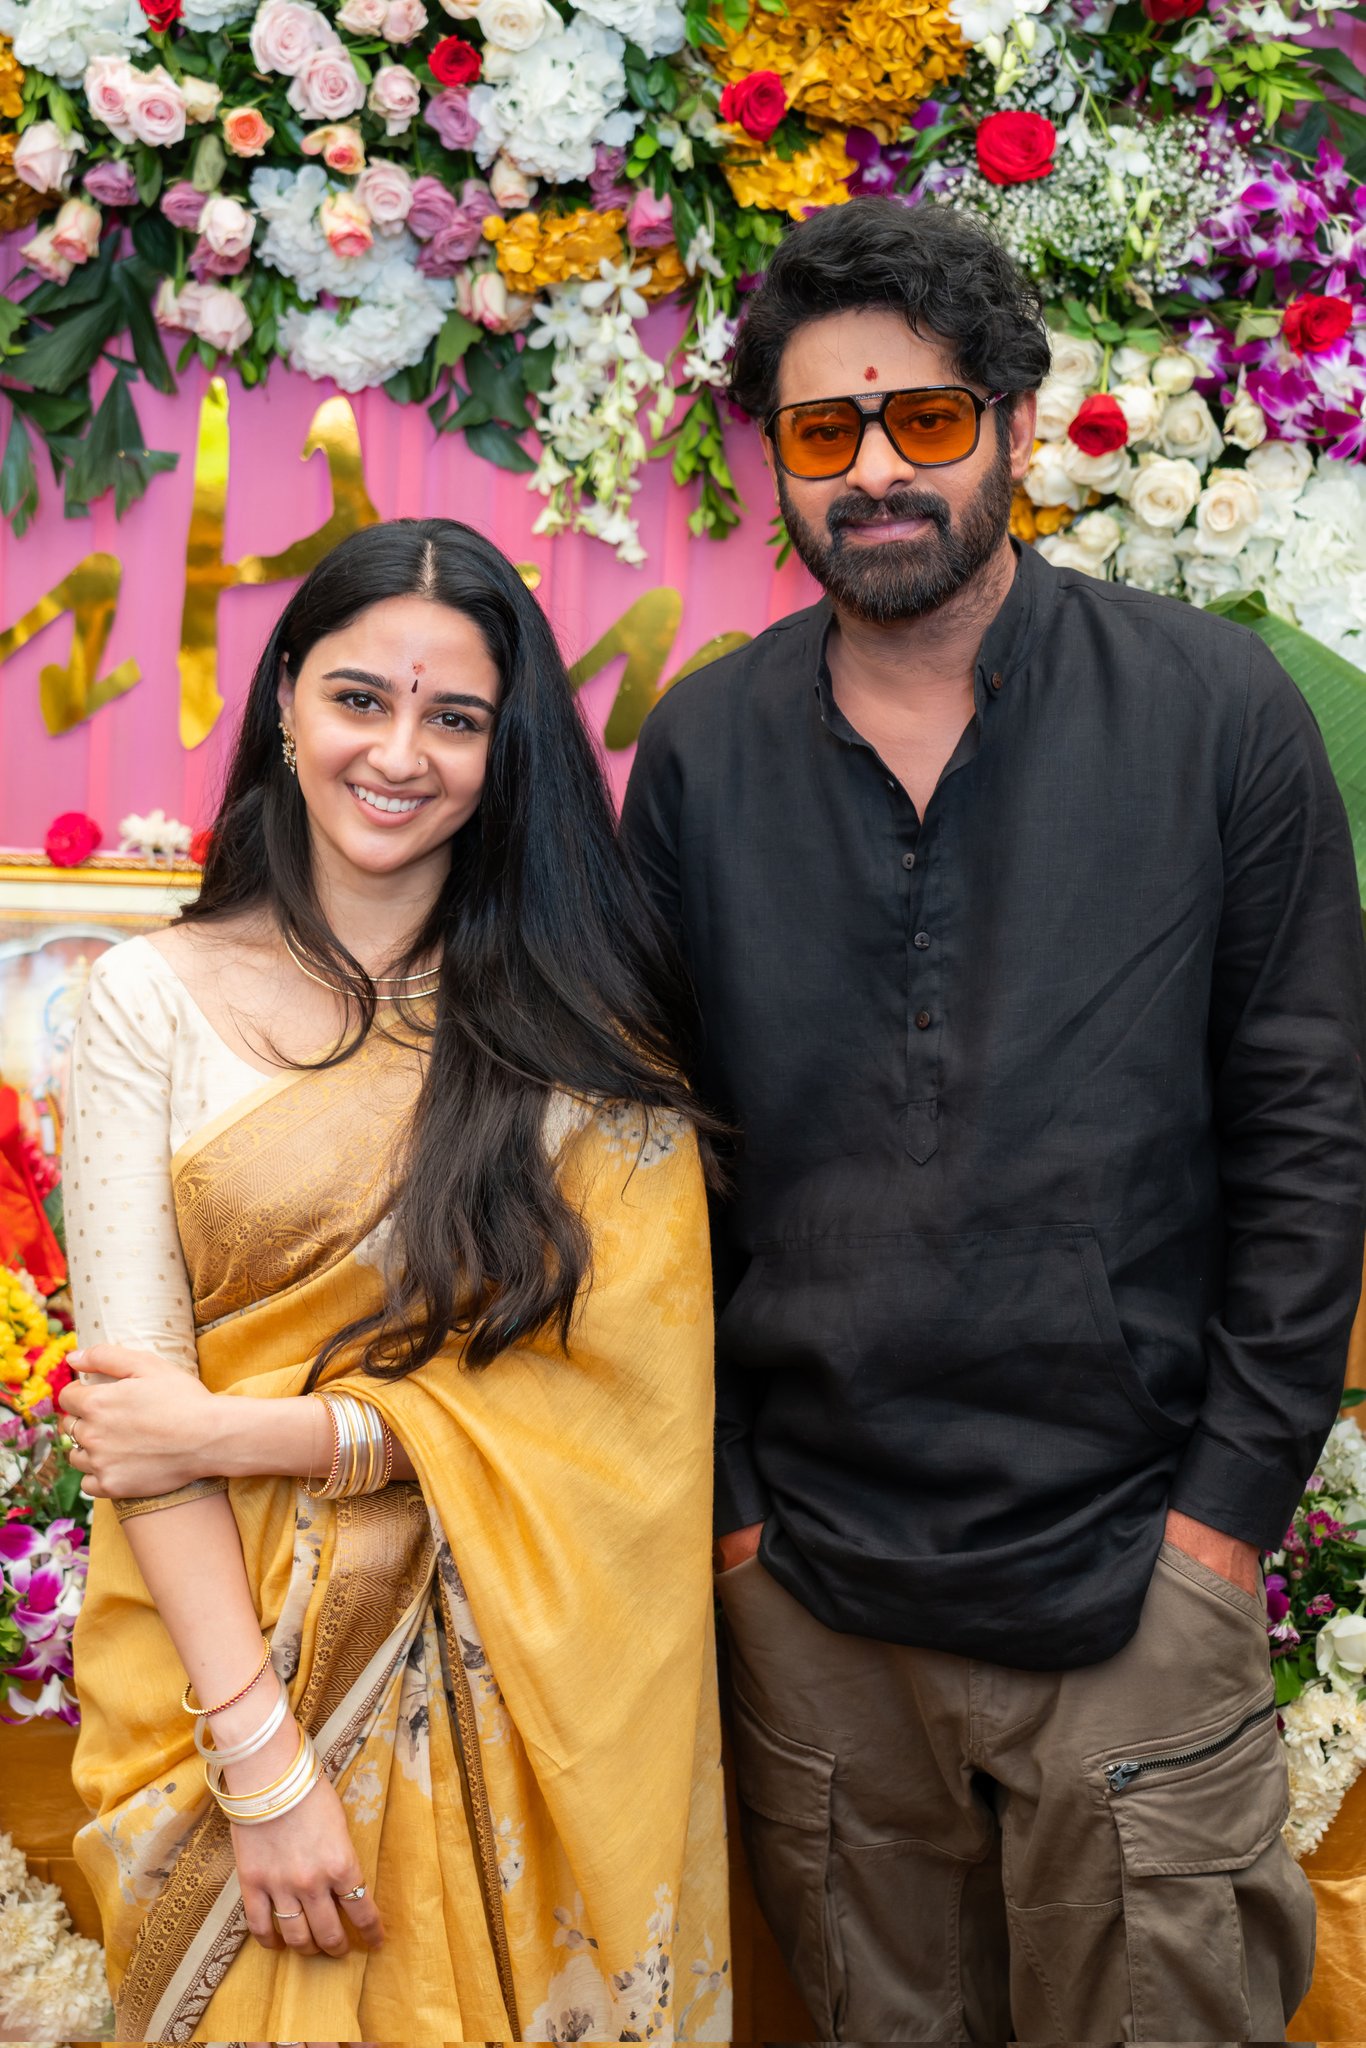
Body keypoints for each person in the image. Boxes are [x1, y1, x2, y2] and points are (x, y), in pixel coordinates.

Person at [620, 196, 1366, 2042]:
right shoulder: (702, 754)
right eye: (823, 431)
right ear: (776, 462)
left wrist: (1221, 1525)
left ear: (1016, 424)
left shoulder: (1214, 713)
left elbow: (1307, 1135)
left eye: (926, 419)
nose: (874, 471)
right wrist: (733, 1524)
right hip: (812, 1596)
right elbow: (647, 1162)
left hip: (1134, 1576)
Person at [58, 517, 731, 2044]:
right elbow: (139, 1430)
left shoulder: (582, 1043)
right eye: (360, 698)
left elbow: (621, 1414)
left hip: (519, 1706)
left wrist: (252, 1430)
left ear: (507, 750)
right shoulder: (143, 1003)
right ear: (286, 698)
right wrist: (260, 1762)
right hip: (223, 1666)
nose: (399, 754)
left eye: (456, 718)